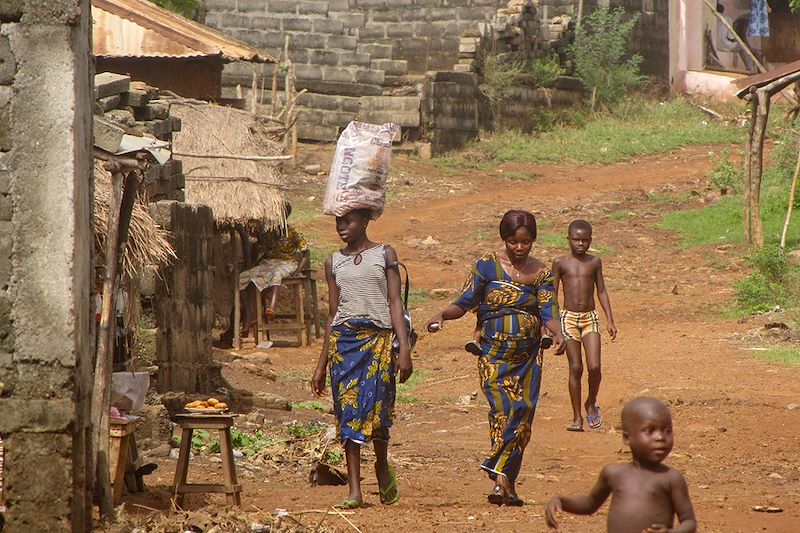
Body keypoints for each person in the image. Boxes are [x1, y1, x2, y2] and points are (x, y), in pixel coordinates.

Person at [426, 209, 564, 506]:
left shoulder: (541, 273)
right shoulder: (486, 267)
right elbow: (463, 303)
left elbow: (549, 313)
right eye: (513, 242)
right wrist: (441, 315)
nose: (518, 248)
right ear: (504, 239)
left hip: (528, 357)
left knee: (523, 415)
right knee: (503, 411)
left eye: (525, 242)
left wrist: (559, 333)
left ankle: (507, 483)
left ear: (533, 241)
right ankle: (500, 478)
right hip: (493, 355)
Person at [311, 208, 413, 509]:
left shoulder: (384, 254)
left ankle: (381, 465)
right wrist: (321, 363)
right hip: (344, 346)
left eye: (348, 221)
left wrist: (404, 348)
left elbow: (395, 302)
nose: (342, 227)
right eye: (338, 222)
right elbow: (332, 314)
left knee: (379, 410)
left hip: (379, 342)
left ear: (365, 222)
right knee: (348, 413)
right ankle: (355, 490)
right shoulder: (333, 261)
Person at [545, 397, 697, 533]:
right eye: (650, 431)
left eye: (667, 431)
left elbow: (689, 522)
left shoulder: (671, 479)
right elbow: (590, 503)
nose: (660, 437)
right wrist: (561, 501)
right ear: (626, 437)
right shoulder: (614, 473)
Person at [551, 219, 616, 432]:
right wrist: (552, 327)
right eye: (576, 240)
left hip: (590, 317)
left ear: (590, 240)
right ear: (568, 239)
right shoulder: (560, 263)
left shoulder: (594, 262)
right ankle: (577, 416)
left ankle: (591, 402)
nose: (580, 244)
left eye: (585, 240)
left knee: (595, 367)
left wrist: (610, 319)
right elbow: (551, 295)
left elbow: (602, 291)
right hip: (568, 317)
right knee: (576, 367)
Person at [238, 204, 309, 335]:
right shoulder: (268, 235)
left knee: (277, 272)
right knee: (241, 277)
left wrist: (298, 270)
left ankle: (272, 307)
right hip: (269, 263)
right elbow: (265, 252)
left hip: (288, 262)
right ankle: (250, 315)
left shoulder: (294, 232)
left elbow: (306, 254)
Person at [715, 3, 759, 75]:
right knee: (743, 48)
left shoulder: (712, 17)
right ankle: (751, 69)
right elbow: (731, 36)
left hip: (715, 43)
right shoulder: (727, 18)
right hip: (724, 43)